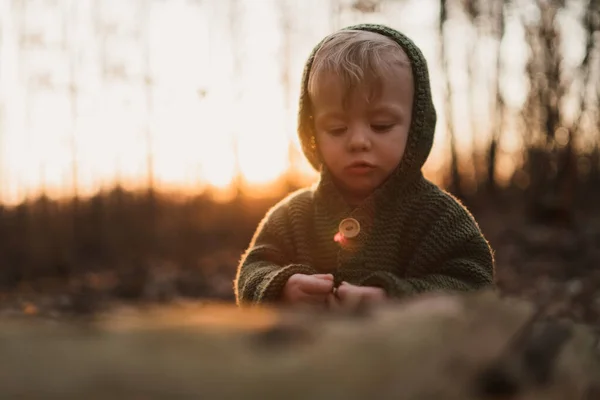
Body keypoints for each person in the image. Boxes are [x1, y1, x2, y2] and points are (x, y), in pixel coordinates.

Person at [234, 23, 495, 310]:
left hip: (409, 354)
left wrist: (395, 299)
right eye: (336, 128)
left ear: (416, 127)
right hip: (307, 352)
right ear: (312, 132)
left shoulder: (440, 217)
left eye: (381, 126)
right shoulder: (291, 217)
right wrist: (281, 287)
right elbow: (253, 271)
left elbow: (474, 286)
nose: (358, 141)